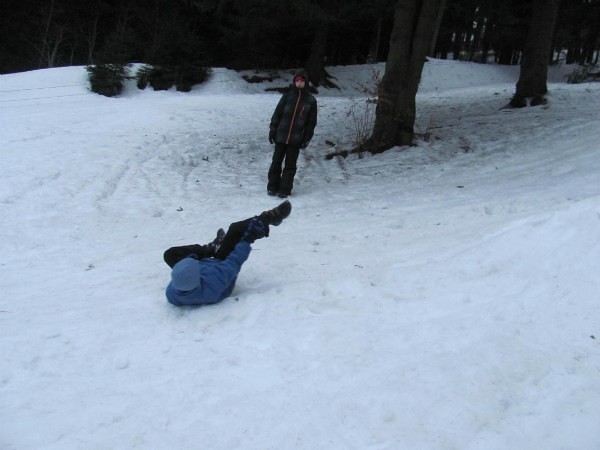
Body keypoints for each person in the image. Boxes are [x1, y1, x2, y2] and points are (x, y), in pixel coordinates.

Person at [163, 200, 292, 306]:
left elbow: (183, 275)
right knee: (236, 229)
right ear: (198, 278)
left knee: (169, 255)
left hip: (206, 268)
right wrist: (249, 238)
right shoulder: (216, 281)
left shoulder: (172, 293)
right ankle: (268, 218)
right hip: (220, 262)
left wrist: (188, 265)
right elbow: (235, 261)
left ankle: (212, 249)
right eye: (196, 265)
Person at [267, 68, 318, 198]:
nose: (299, 83)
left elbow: (311, 123)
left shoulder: (311, 101)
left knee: (290, 165)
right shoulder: (287, 97)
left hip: (296, 139)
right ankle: (272, 187)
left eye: (302, 81)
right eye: (297, 80)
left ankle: (284, 189)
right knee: (276, 162)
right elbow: (277, 115)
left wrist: (306, 138)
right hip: (281, 136)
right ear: (294, 82)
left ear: (306, 82)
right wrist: (273, 131)